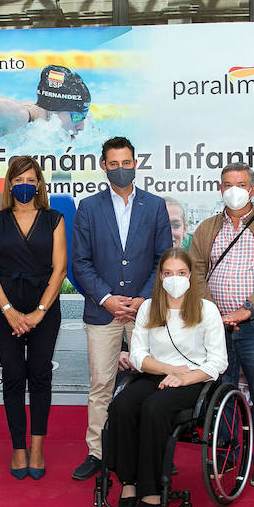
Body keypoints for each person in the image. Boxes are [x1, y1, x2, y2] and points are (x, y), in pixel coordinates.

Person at [70, 136, 173, 481]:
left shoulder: (155, 205)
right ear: (104, 167)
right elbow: (80, 263)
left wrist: (143, 299)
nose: (120, 169)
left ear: (135, 163)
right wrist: (107, 299)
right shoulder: (88, 207)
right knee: (101, 384)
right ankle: (97, 453)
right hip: (104, 312)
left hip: (145, 312)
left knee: (156, 383)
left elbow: (164, 259)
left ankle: (156, 450)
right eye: (113, 164)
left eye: (125, 163)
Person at [188, 161, 254, 487]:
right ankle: (230, 451)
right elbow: (196, 272)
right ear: (220, 188)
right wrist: (213, 312)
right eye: (228, 184)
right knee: (222, 392)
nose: (234, 190)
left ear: (253, 188)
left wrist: (248, 308)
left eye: (241, 183)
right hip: (217, 326)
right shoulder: (206, 228)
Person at [107, 249, 226, 507]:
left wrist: (184, 378)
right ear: (160, 276)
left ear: (191, 276)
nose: (175, 279)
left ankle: (150, 489)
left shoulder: (207, 310)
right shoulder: (149, 307)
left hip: (194, 381)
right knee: (121, 407)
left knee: (154, 407)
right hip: (154, 373)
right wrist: (170, 369)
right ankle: (128, 482)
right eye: (169, 273)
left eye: (181, 273)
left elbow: (217, 362)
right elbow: (137, 355)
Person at [0, 155, 67, 479]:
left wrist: (38, 313)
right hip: (5, 310)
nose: (24, 186)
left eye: (30, 180)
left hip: (44, 309)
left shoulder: (54, 219)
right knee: (14, 376)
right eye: (18, 180)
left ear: (39, 184)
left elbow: (59, 269)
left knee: (41, 375)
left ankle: (37, 447)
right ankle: (18, 448)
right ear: (9, 184)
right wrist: (9, 312)